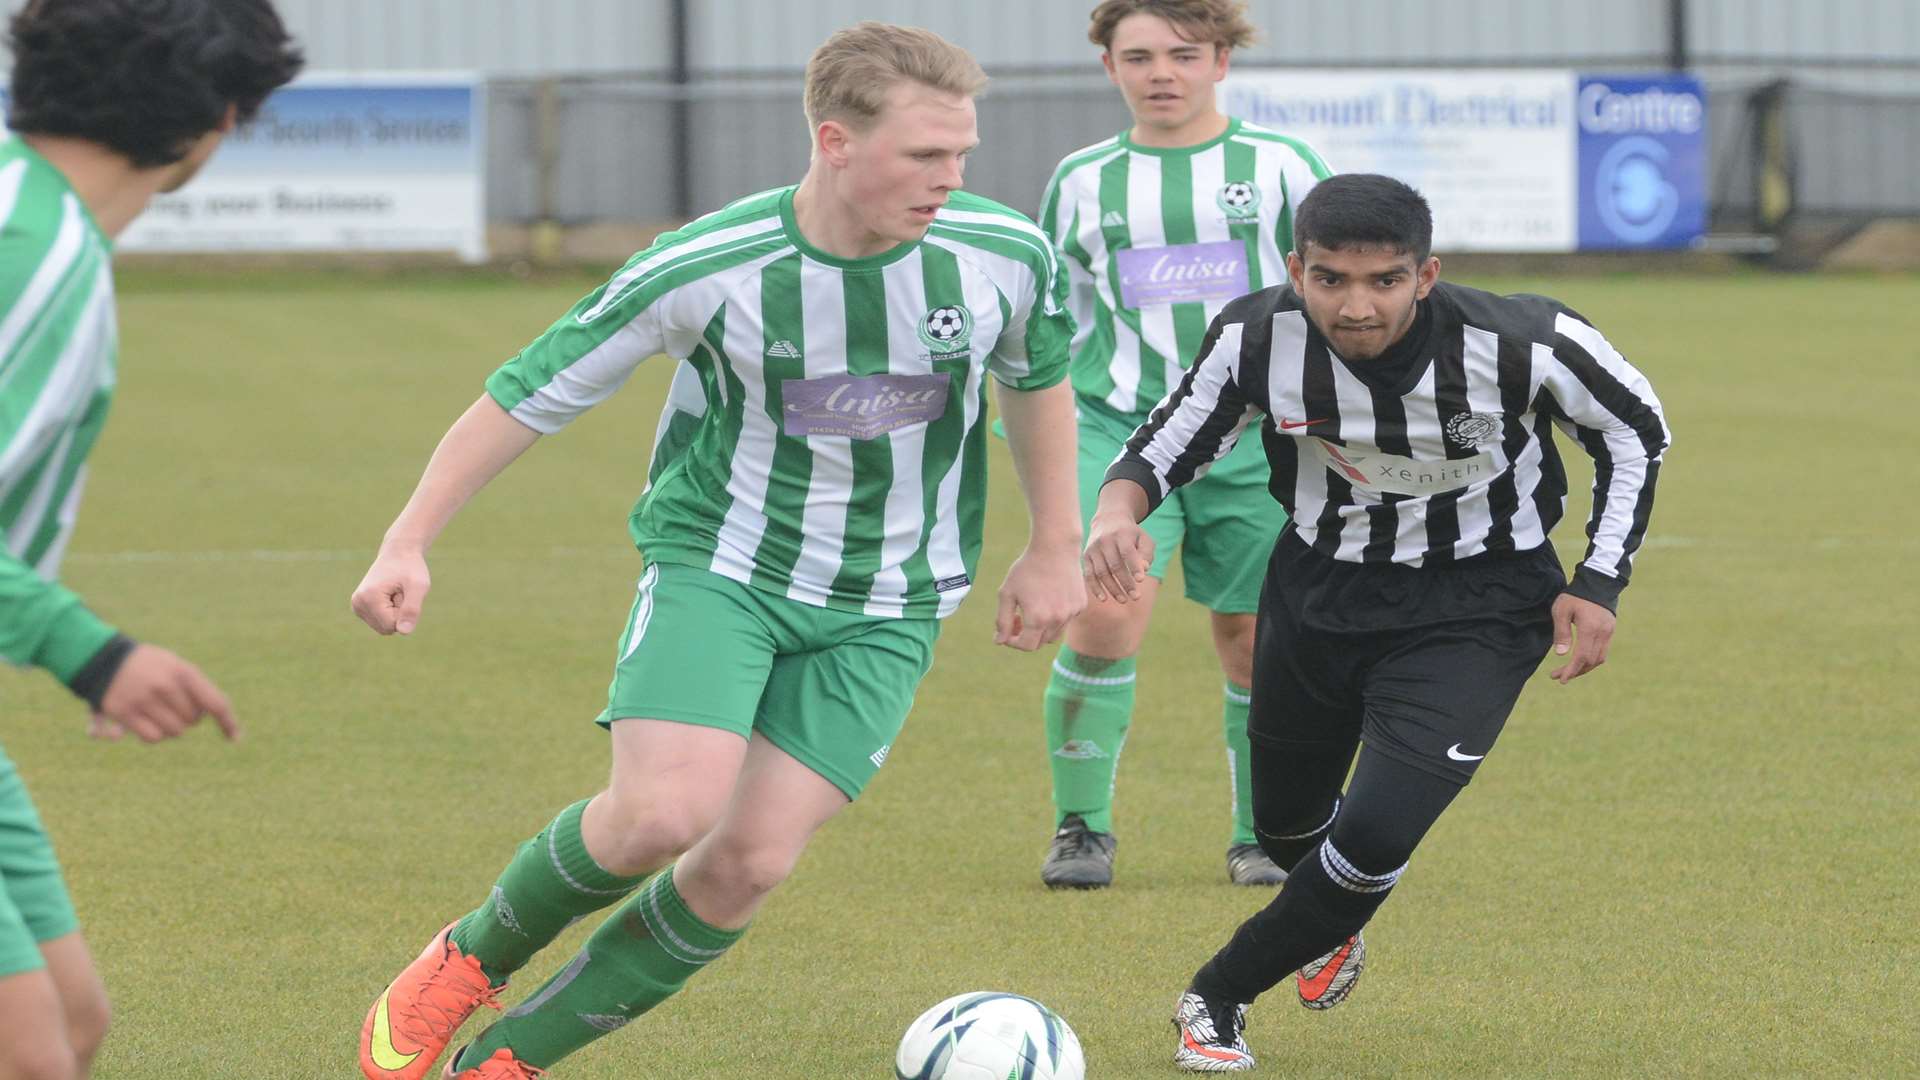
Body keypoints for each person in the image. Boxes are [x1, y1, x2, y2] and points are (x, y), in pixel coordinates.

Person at [351, 22, 1084, 1080]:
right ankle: (470, 956)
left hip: (892, 598)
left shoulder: (1003, 252)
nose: (952, 179)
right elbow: (528, 391)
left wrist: (1054, 545)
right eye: (926, 156)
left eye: (961, 154)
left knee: (744, 865)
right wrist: (407, 539)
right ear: (835, 140)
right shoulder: (710, 263)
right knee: (661, 814)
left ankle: (506, 1063)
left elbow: (1038, 378)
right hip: (724, 567)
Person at [1080, 174, 1671, 1072]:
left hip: (1483, 603)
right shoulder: (1254, 337)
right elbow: (1168, 439)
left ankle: (1219, 996)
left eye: (1384, 281)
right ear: (1296, 270)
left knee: (1380, 830)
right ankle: (1324, 918)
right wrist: (1113, 515)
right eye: (1331, 281)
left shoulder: (1525, 342)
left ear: (1425, 274)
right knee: (1286, 832)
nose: (1357, 306)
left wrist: (1600, 579)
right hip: (1320, 594)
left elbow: (1637, 431)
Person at [0, 2, 301, 1077]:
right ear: (216, 113)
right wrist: (97, 654)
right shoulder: (32, 253)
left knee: (72, 1025)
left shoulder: (37, 223)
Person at [1032, 0, 1331, 889]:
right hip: (1119, 428)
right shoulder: (1081, 179)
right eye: (1139, 56)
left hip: (1259, 438)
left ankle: (1260, 833)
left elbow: (1330, 288)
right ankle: (1081, 827)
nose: (1162, 72)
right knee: (1104, 618)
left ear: (1221, 63)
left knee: (1252, 637)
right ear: (1109, 68)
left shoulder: (1281, 167)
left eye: (1183, 54)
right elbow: (1054, 312)